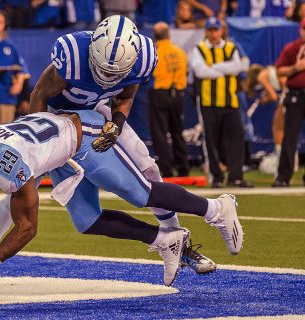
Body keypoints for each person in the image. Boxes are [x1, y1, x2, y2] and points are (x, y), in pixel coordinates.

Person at [0, 112, 244, 300]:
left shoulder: (10, 164)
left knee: (140, 193)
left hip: (85, 137)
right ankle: (164, 239)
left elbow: (28, 228)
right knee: (87, 221)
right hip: (56, 154)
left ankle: (216, 208)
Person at [29, 15, 215, 274]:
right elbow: (38, 94)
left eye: (114, 72)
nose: (106, 77)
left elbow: (125, 97)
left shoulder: (142, 59)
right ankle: (166, 238)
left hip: (101, 116)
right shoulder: (72, 54)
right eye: (102, 68)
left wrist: (116, 123)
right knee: (84, 219)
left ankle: (181, 241)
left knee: (148, 173)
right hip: (60, 127)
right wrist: (38, 143)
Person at [191, 17, 253, 188]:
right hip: (208, 102)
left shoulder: (231, 47)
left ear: (221, 30)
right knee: (211, 140)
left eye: (215, 30)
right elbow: (200, 71)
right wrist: (224, 69)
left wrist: (214, 67)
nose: (213, 34)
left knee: (237, 138)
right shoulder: (199, 48)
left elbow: (238, 67)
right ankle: (216, 178)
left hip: (230, 101)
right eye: (210, 30)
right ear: (206, 32)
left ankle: (236, 176)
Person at [149, 22, 190, 178]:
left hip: (160, 93)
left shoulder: (155, 51)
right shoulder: (180, 52)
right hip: (178, 94)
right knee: (177, 132)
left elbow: (149, 74)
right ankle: (183, 168)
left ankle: (167, 170)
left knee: (160, 133)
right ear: (168, 34)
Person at [272, 18, 305, 187]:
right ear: (301, 30)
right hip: (296, 95)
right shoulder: (293, 48)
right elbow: (279, 71)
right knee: (289, 136)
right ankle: (283, 176)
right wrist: (296, 68)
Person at [245, 64, 288, 175]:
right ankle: (286, 162)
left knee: (277, 129)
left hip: (289, 92)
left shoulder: (261, 76)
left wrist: (265, 99)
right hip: (290, 92)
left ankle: (281, 163)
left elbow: (274, 96)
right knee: (285, 130)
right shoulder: (269, 70)